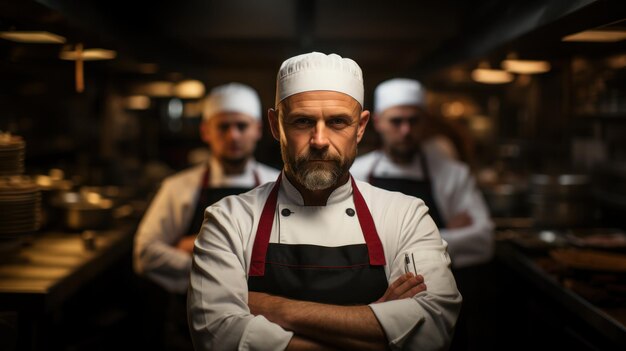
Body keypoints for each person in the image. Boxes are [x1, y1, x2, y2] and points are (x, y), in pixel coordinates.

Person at [188, 52, 461, 351]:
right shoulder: (228, 220)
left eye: (338, 122)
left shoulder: (406, 215)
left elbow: (432, 331)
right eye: (302, 121)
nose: (319, 140)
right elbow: (217, 336)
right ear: (275, 125)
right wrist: (378, 326)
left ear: (360, 127)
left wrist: (277, 309)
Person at [350, 78, 495, 350]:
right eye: (396, 121)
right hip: (374, 302)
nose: (406, 130)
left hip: (440, 304)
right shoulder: (355, 173)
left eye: (413, 121)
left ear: (424, 123)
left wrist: (384, 243)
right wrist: (444, 236)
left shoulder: (452, 174)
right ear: (378, 122)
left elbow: (483, 240)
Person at [133, 82, 280, 349]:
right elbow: (145, 254)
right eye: (223, 126)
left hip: (264, 329)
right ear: (205, 131)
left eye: (242, 126)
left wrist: (200, 251)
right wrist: (233, 268)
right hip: (189, 330)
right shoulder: (178, 188)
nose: (233, 136)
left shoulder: (277, 185)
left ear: (258, 130)